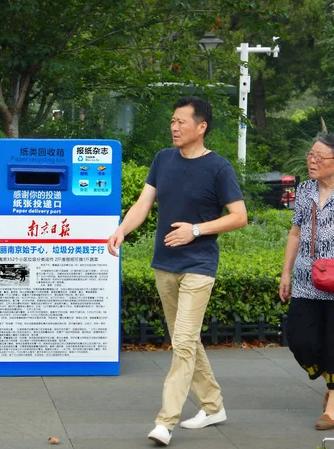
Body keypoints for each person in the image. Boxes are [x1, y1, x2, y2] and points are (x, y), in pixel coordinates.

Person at [107, 96, 247, 446]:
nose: (174, 126)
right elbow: (144, 203)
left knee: (183, 342)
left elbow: (239, 216)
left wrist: (197, 229)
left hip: (199, 265)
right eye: (172, 120)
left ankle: (165, 422)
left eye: (181, 122)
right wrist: (122, 230)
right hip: (165, 264)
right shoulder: (163, 160)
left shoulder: (219, 168)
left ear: (201, 127)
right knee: (186, 340)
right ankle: (213, 405)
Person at [279, 134, 334, 431]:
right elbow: (295, 234)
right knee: (301, 340)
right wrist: (285, 273)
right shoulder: (304, 190)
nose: (312, 161)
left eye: (319, 157)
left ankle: (333, 407)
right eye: (310, 155)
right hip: (305, 279)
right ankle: (330, 381)